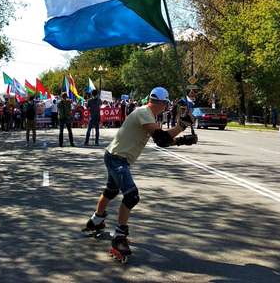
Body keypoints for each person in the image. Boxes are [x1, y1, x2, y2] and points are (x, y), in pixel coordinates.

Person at [82, 87, 197, 260]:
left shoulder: (148, 115)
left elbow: (162, 142)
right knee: (131, 196)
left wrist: (181, 140)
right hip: (117, 159)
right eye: (166, 103)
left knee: (111, 191)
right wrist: (181, 127)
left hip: (114, 156)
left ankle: (96, 221)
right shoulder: (144, 112)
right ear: (162, 103)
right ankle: (119, 237)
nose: (167, 107)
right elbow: (162, 139)